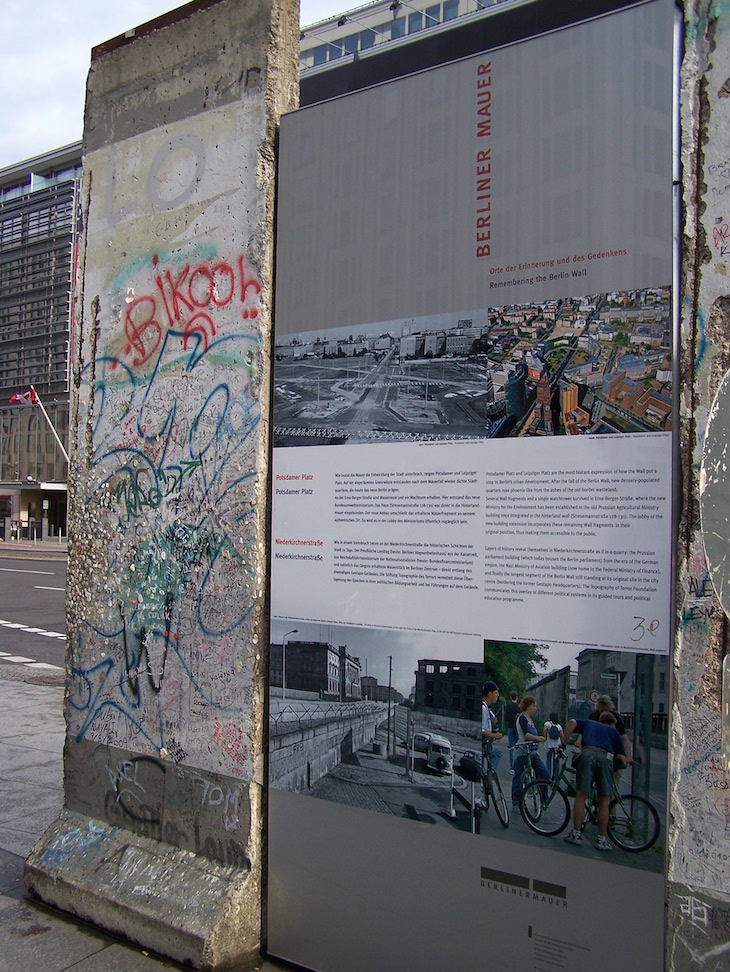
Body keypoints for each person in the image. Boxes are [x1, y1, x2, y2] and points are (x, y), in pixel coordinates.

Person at [561, 711, 630, 851]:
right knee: (604, 800)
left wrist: (563, 743)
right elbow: (623, 758)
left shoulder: (589, 723)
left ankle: (576, 834)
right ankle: (601, 840)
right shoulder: (614, 732)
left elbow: (572, 722)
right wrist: (622, 763)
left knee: (581, 796)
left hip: (588, 754)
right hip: (606, 758)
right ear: (613, 724)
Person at [511, 695, 550, 810]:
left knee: (545, 774)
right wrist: (538, 738)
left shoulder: (531, 720)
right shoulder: (522, 718)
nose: (535, 708)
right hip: (522, 752)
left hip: (532, 753)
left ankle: (543, 798)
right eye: (533, 706)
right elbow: (527, 735)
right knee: (519, 776)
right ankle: (516, 802)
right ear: (527, 706)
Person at [589, 694, 631, 787]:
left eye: (606, 710)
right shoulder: (593, 716)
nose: (604, 713)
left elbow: (624, 738)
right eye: (602, 710)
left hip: (613, 758)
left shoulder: (615, 717)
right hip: (599, 756)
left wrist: (629, 756)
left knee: (613, 786)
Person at [481, 681, 503, 772]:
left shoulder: (486, 708)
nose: (497, 695)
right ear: (490, 694)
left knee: (497, 752)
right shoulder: (483, 709)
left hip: (486, 744)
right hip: (482, 745)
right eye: (496, 693)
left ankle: (489, 777)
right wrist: (494, 735)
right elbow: (481, 731)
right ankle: (489, 778)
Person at [543, 711, 563, 779]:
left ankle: (547, 775)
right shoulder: (558, 726)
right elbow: (562, 736)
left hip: (549, 744)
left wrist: (545, 737)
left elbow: (544, 729)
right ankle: (555, 777)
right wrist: (562, 744)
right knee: (556, 761)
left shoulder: (548, 723)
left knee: (548, 759)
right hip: (557, 745)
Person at [504, 690, 520, 775]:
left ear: (511, 697)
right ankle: (517, 766)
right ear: (517, 697)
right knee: (517, 748)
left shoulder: (508, 706)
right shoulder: (519, 707)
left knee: (511, 748)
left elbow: (506, 717)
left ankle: (512, 768)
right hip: (517, 729)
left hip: (510, 727)